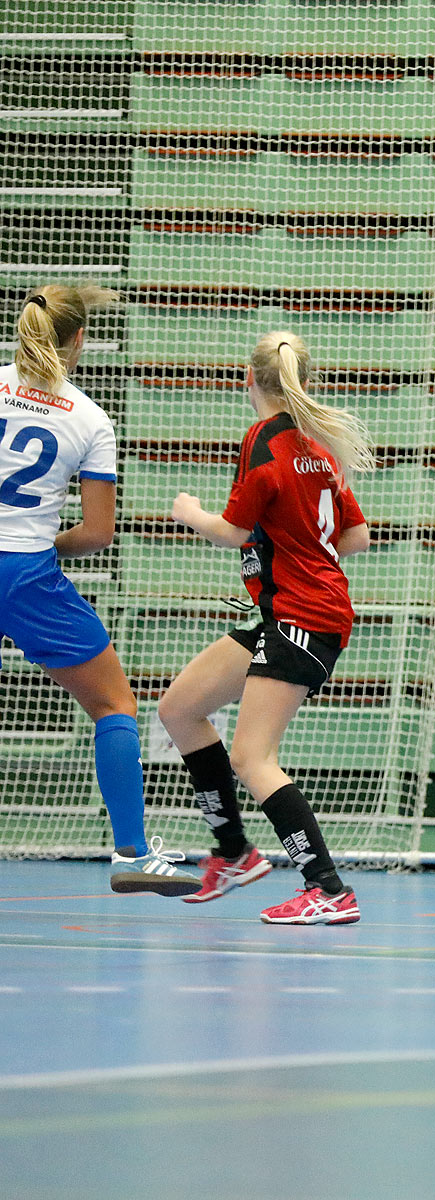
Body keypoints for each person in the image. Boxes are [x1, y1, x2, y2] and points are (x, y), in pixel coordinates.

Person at [157, 331, 373, 925]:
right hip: (284, 614)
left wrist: (190, 513)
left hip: (304, 617)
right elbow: (356, 538)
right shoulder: (318, 448)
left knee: (254, 757)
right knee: (179, 708)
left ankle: (326, 888)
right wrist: (297, 539)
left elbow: (229, 529)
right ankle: (234, 853)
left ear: (247, 381)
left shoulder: (264, 440)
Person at [0, 285, 198, 895]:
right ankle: (132, 853)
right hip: (26, 573)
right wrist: (43, 545)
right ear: (79, 340)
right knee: (114, 705)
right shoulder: (90, 419)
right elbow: (98, 532)